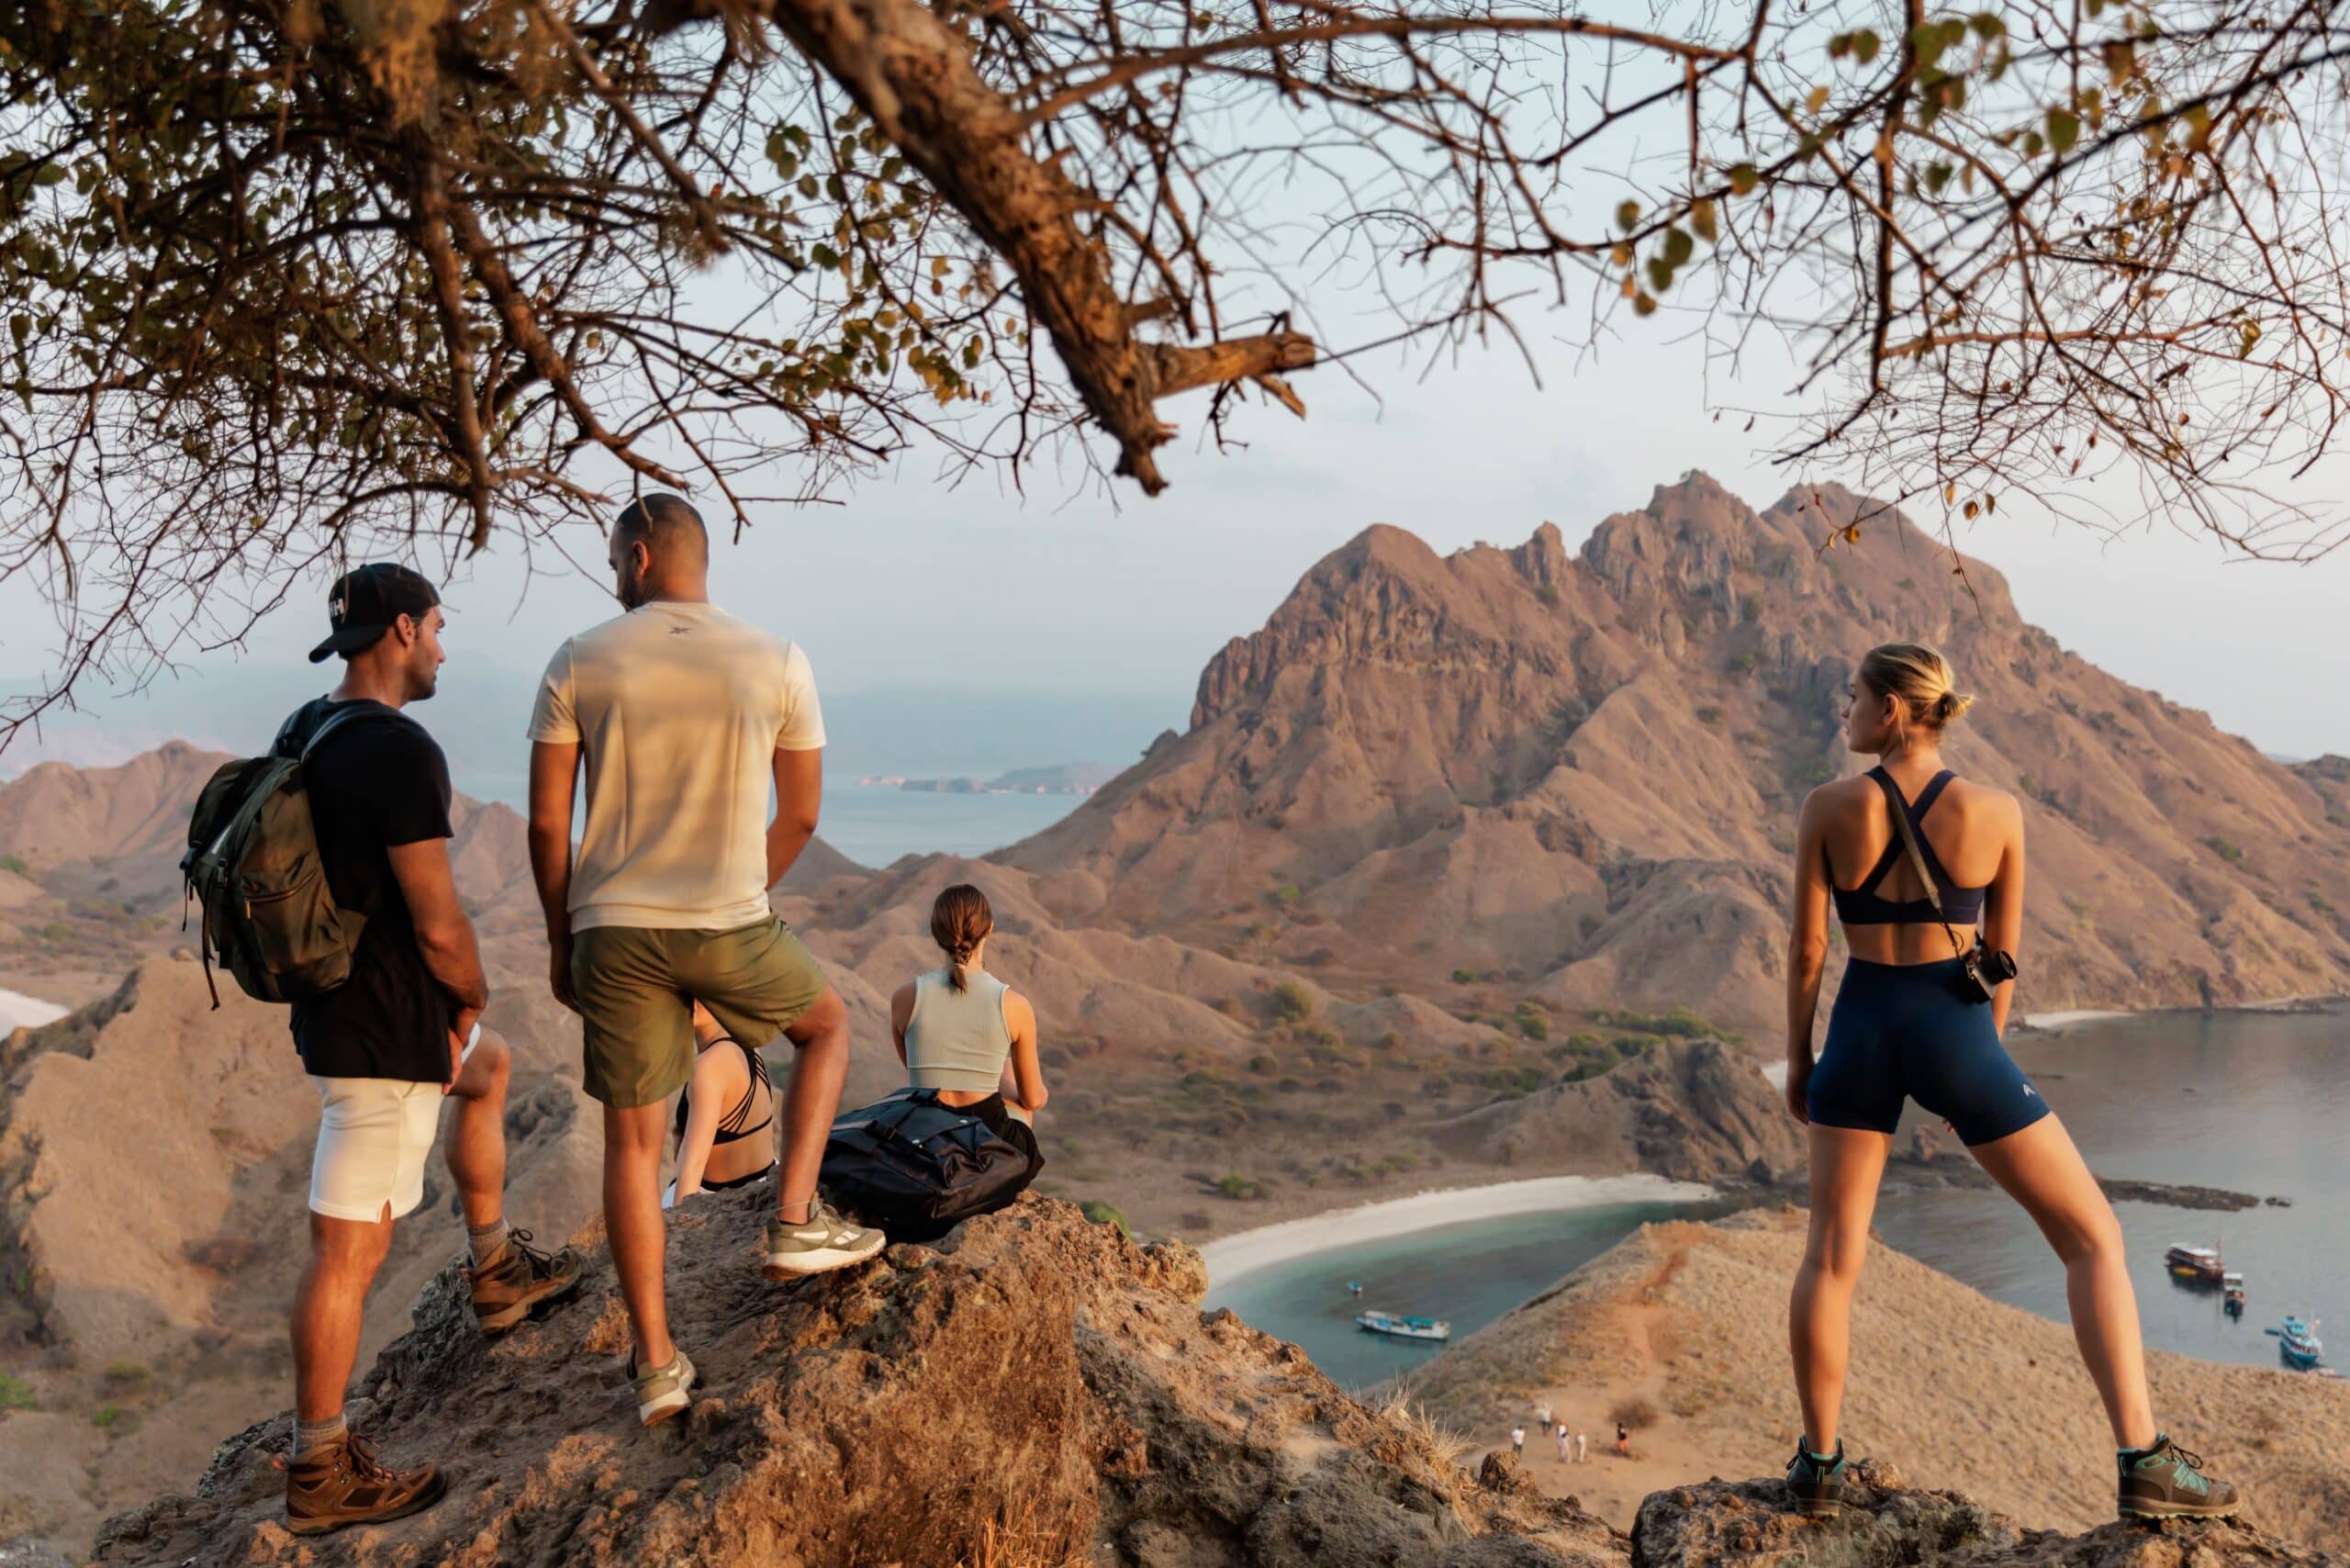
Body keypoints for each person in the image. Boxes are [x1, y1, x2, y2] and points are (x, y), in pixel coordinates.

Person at [1784, 642, 2236, 1523]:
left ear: (1893, 712)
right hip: (1956, 1036)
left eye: (1853, 699)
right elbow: (2001, 959)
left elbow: (1807, 951)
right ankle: (2144, 1460)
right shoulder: (1999, 813)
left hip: (1862, 1029)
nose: (1844, 712)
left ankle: (1819, 1467)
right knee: (2093, 1238)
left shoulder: (1827, 808)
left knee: (1831, 1261)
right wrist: (1977, 1070)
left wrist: (1801, 1061)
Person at [527, 494, 883, 1430]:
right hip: (727, 920)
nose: (610, 574)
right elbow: (801, 814)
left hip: (611, 928)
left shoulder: (579, 658)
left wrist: (564, 940)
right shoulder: (777, 659)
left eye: (613, 556)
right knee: (828, 1027)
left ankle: (655, 1367)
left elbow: (544, 823)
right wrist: (740, 891)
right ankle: (795, 1218)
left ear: (640, 556)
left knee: (632, 1146)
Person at [284, 566, 583, 1534]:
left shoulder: (307, 728)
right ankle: (319, 1465)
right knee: (348, 1249)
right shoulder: (400, 751)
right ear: (403, 628)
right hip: (387, 1031)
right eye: (440, 629)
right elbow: (437, 915)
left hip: (341, 1011)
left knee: (488, 1070)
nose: (445, 649)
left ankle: (493, 1269)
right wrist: (471, 990)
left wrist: (462, 1023)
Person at [888, 884, 1046, 1178]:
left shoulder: (905, 997)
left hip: (925, 1149)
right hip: (989, 1149)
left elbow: (918, 1072)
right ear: (989, 929)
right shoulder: (1013, 1005)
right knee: (1009, 1070)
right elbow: (1034, 1100)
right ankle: (998, 1184)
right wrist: (1006, 1087)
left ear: (936, 932)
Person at [665, 1002, 778, 1206]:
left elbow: (693, 1166)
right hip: (767, 1181)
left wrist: (679, 1228)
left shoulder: (709, 1065)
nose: (692, 1001)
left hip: (718, 1201)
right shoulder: (745, 1037)